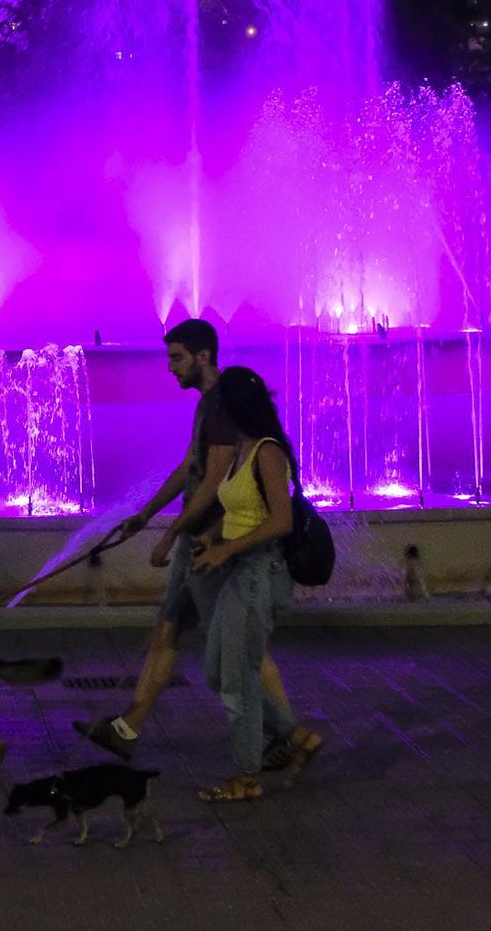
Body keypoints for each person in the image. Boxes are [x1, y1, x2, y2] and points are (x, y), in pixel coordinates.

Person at [72, 321, 306, 770]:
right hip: (201, 536)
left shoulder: (221, 407)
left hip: (212, 540)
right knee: (174, 629)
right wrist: (147, 512)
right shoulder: (207, 406)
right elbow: (191, 467)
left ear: (203, 357)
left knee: (236, 644)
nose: (170, 368)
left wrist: (174, 532)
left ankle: (289, 733)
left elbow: (214, 480)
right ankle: (128, 727)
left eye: (177, 358)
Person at [186, 366, 321, 802]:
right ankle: (293, 734)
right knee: (215, 671)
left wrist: (227, 549)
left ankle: (246, 778)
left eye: (219, 406)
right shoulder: (242, 451)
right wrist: (213, 535)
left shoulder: (267, 452)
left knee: (238, 681)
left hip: (261, 574)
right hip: (238, 573)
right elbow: (245, 508)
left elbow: (280, 522)